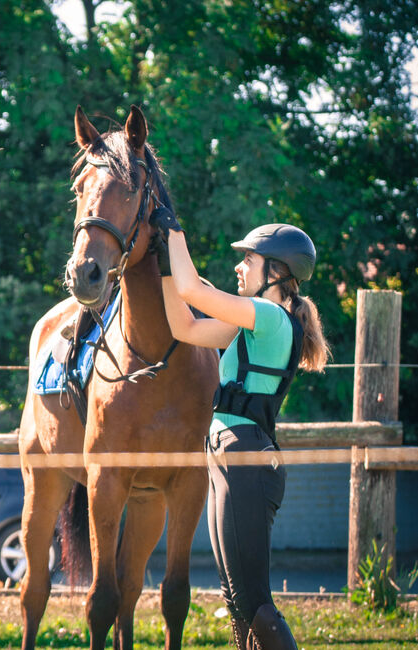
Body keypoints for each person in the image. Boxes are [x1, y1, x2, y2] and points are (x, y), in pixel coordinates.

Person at [149, 208, 330, 650]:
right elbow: (185, 325)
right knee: (236, 598)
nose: (238, 267)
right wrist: (163, 268)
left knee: (255, 601)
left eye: (247, 260)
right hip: (230, 457)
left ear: (275, 270)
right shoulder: (253, 324)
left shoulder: (268, 317)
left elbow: (194, 289)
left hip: (245, 458)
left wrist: (174, 232)